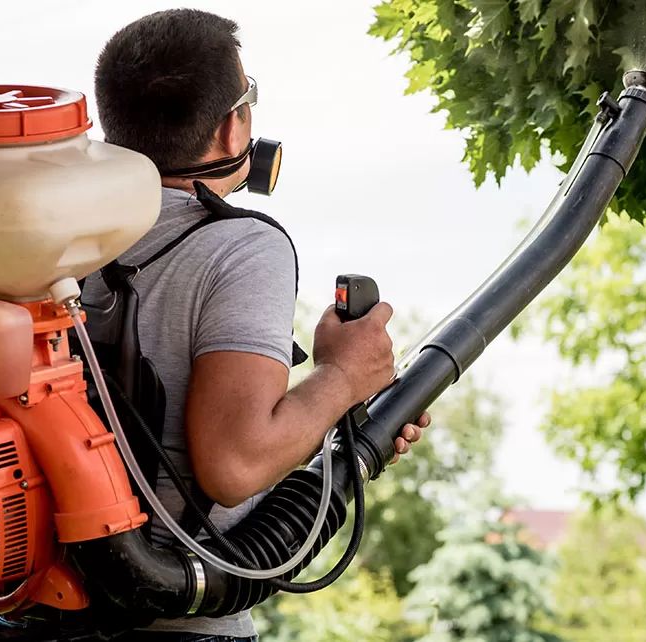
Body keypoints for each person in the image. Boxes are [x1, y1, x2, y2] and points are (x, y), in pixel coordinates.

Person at [87, 9, 430, 641]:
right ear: (230, 128)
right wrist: (344, 373)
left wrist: (338, 421)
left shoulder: (66, 233)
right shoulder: (242, 247)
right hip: (176, 622)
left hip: (35, 611)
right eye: (251, 98)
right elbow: (234, 463)